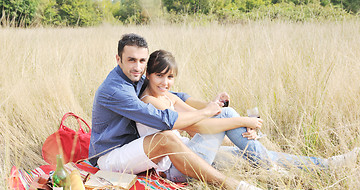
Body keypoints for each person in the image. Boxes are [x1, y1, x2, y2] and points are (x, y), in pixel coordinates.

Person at [88, 33, 278, 190]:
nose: (137, 66)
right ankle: (234, 187)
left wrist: (210, 105)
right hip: (111, 156)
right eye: (131, 60)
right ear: (118, 59)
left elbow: (174, 94)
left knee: (237, 154)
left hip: (139, 147)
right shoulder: (116, 90)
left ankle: (288, 165)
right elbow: (164, 120)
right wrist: (208, 112)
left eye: (141, 61)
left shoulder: (136, 76)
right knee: (167, 137)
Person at [137, 49, 360, 179]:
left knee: (251, 153)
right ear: (148, 75)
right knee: (228, 117)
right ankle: (270, 168)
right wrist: (244, 121)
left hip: (190, 154)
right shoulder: (151, 102)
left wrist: (218, 108)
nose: (166, 83)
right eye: (159, 76)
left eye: (170, 77)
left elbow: (202, 118)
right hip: (176, 169)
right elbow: (197, 127)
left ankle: (327, 164)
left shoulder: (169, 97)